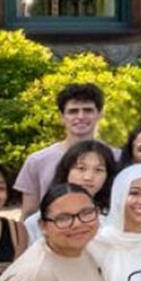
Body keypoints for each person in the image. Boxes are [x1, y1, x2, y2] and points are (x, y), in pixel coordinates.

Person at [17, 84, 109, 217]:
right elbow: (29, 213)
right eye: (73, 111)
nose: (81, 116)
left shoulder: (116, 157)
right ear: (61, 116)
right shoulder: (37, 161)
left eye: (88, 110)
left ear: (100, 114)